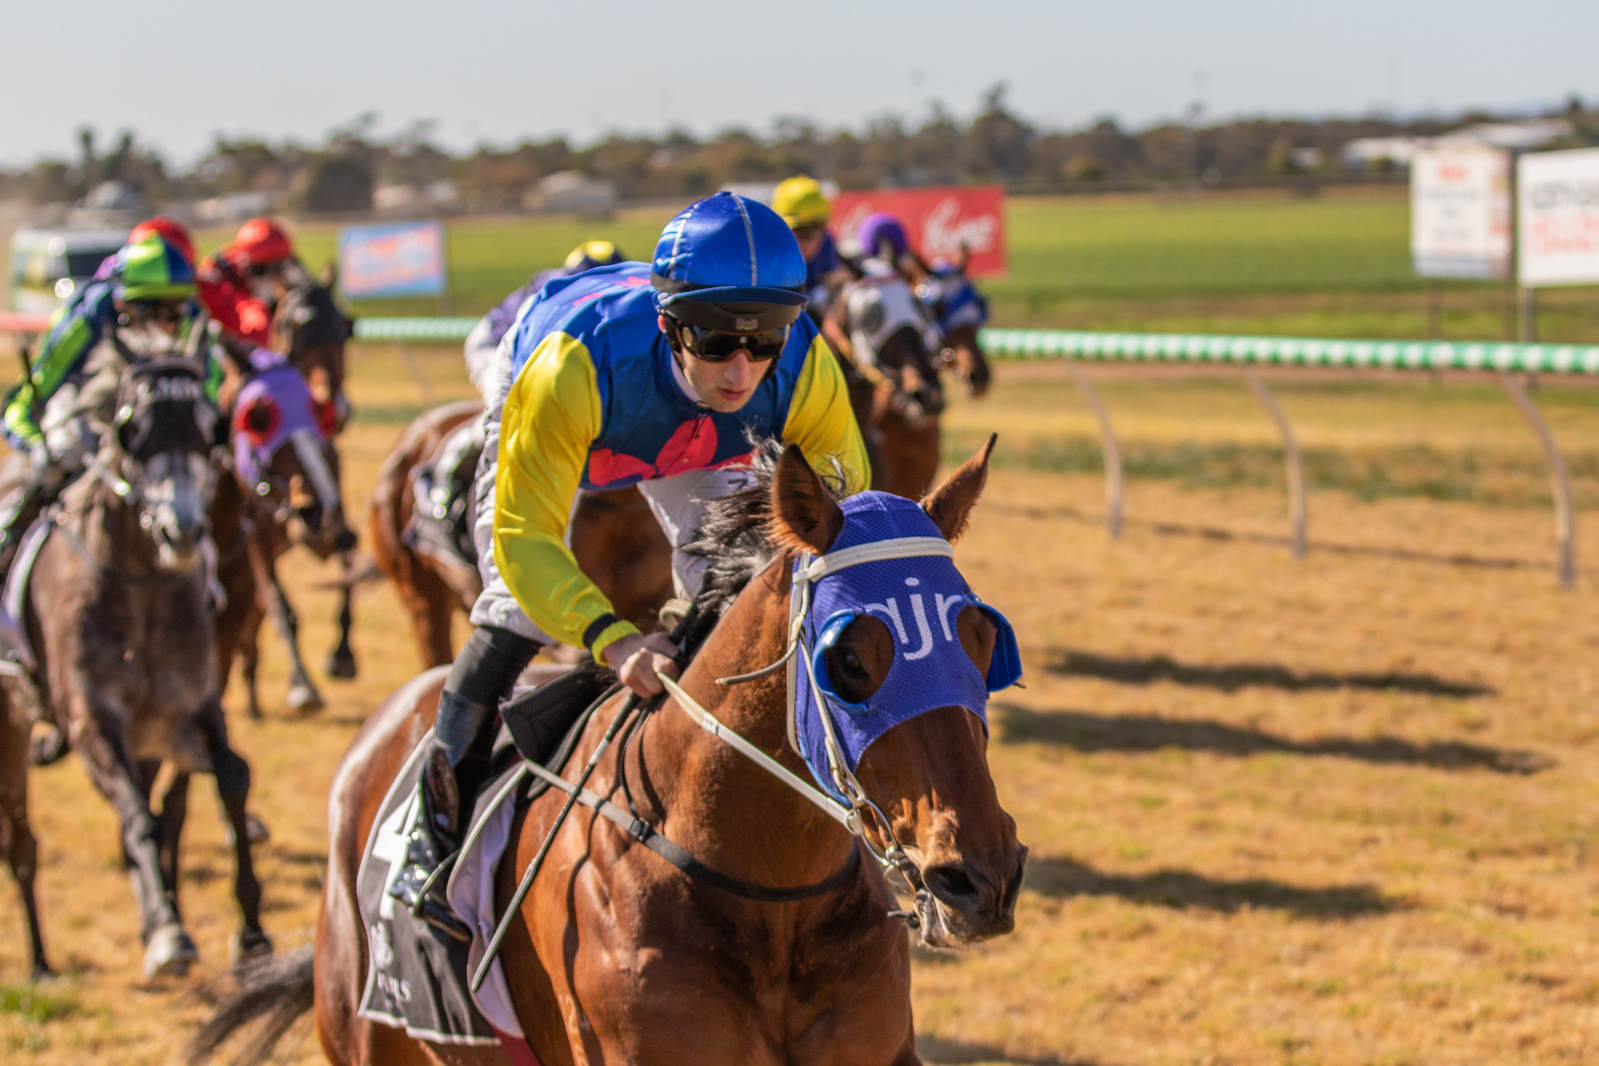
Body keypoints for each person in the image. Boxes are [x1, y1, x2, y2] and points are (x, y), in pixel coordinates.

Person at [388, 192, 870, 936]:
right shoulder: (568, 367)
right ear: (670, 323)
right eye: (715, 341)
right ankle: (431, 835)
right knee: (512, 611)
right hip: (579, 395)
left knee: (755, 583)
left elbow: (844, 519)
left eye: (763, 340)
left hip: (697, 438)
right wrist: (611, 641)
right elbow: (524, 538)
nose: (740, 371)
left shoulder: (805, 363)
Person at [0, 233, 220, 575]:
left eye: (175, 312)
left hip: (157, 439)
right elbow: (25, 404)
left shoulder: (193, 320)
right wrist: (36, 445)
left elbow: (211, 396)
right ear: (121, 305)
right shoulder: (89, 317)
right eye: (152, 311)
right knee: (60, 450)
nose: (166, 325)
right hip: (88, 419)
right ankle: (8, 542)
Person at [197, 218, 308, 346]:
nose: (272, 278)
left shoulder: (289, 277)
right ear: (246, 265)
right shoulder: (218, 279)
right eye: (262, 270)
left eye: (279, 269)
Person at [772, 175, 848, 324]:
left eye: (810, 234)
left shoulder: (827, 246)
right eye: (795, 233)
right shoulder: (766, 262)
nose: (803, 243)